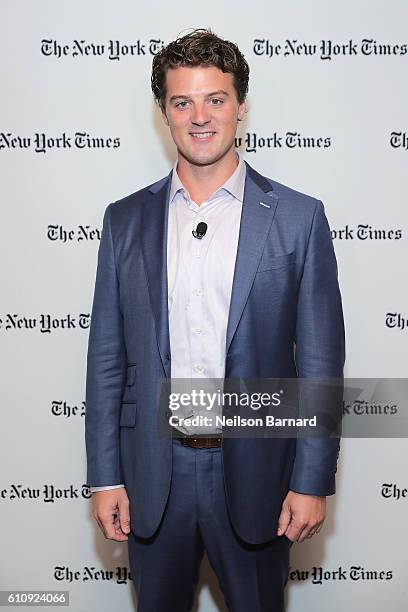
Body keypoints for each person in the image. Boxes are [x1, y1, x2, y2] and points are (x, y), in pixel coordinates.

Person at [85, 28, 345, 612]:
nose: (200, 117)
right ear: (164, 113)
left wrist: (311, 479)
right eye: (183, 102)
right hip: (154, 476)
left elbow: (322, 362)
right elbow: (106, 358)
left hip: (259, 475)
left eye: (215, 99)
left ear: (240, 106)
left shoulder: (299, 219)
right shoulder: (124, 221)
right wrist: (105, 477)